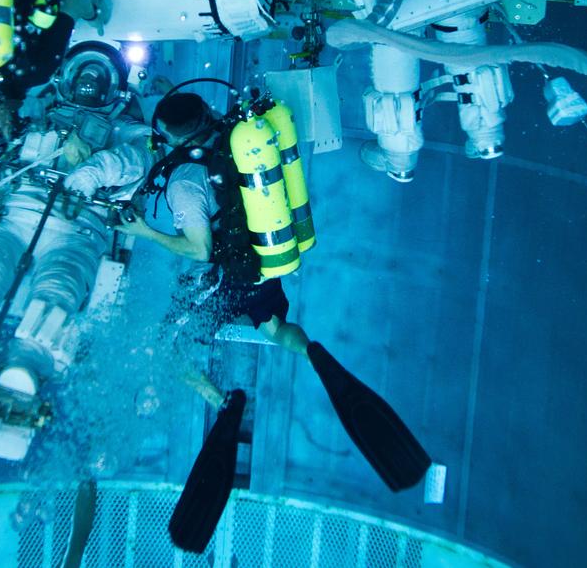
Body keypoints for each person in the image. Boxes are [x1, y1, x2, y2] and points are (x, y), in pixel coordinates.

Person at [121, 91, 431, 554]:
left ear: (168, 136)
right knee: (271, 326)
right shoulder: (237, 135)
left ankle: (225, 402)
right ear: (204, 114)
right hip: (266, 261)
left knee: (165, 347)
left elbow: (199, 251)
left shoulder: (185, 180)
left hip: (225, 277)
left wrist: (143, 231)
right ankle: (313, 353)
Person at [0, 41, 152, 403]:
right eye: (81, 75)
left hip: (76, 228)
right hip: (11, 215)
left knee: (60, 283)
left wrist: (96, 169)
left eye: (97, 78)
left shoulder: (127, 128)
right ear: (65, 77)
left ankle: (28, 360)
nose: (87, 84)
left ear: (114, 88)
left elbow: (141, 161)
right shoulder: (36, 109)